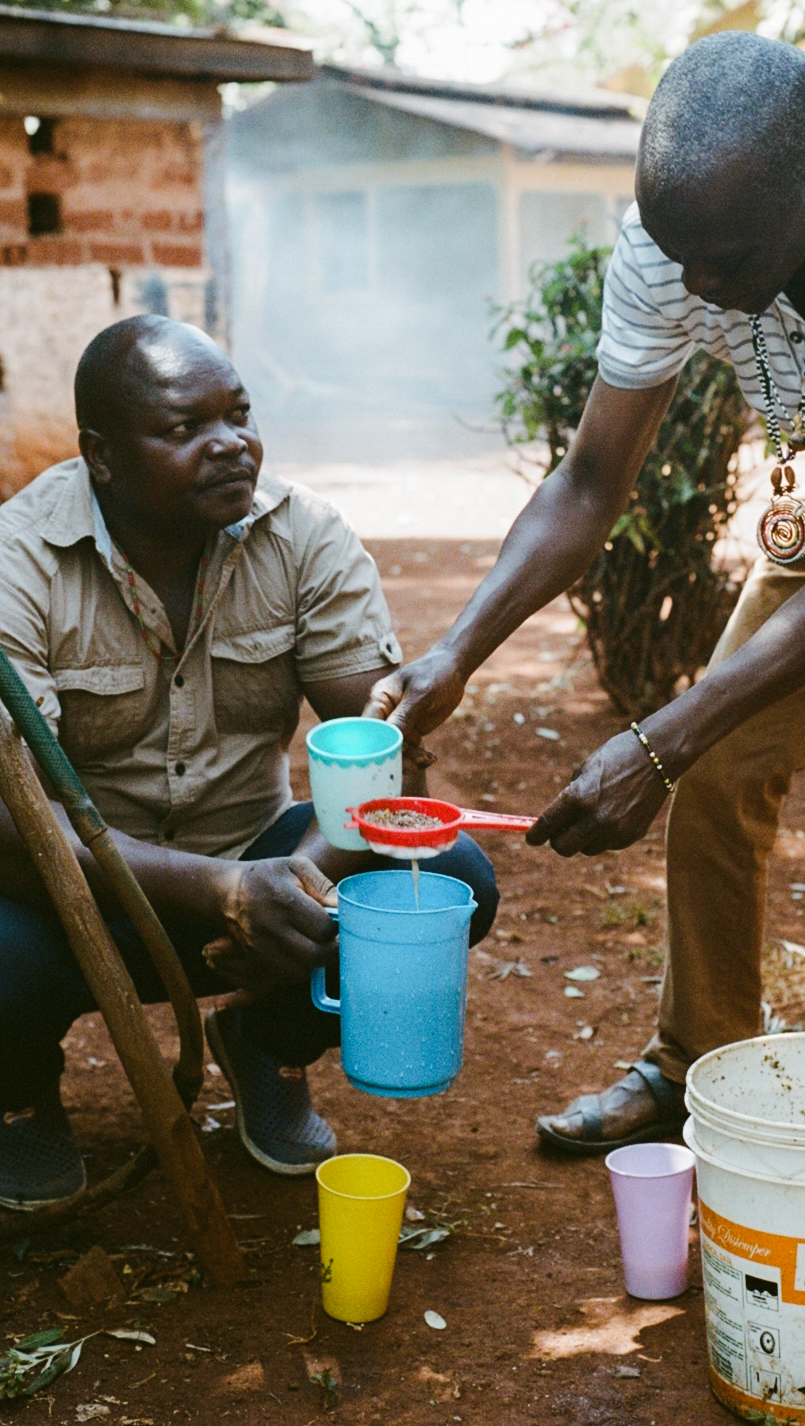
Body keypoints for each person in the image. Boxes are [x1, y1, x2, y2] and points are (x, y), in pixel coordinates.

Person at [367, 29, 805, 1153]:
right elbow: (586, 485)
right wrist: (456, 654)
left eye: (722, 255)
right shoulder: (674, 243)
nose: (697, 283)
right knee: (720, 762)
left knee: (689, 738)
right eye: (679, 253)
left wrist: (655, 738)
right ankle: (694, 1062)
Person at [0, 315, 497, 1208]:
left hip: (262, 876)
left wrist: (289, 886)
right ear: (101, 457)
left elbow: (386, 766)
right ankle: (20, 1099)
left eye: (239, 414)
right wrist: (223, 892)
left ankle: (269, 1040)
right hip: (81, 903)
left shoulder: (305, 537)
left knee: (448, 871)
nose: (232, 445)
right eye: (186, 429)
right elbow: (13, 823)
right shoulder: (18, 560)